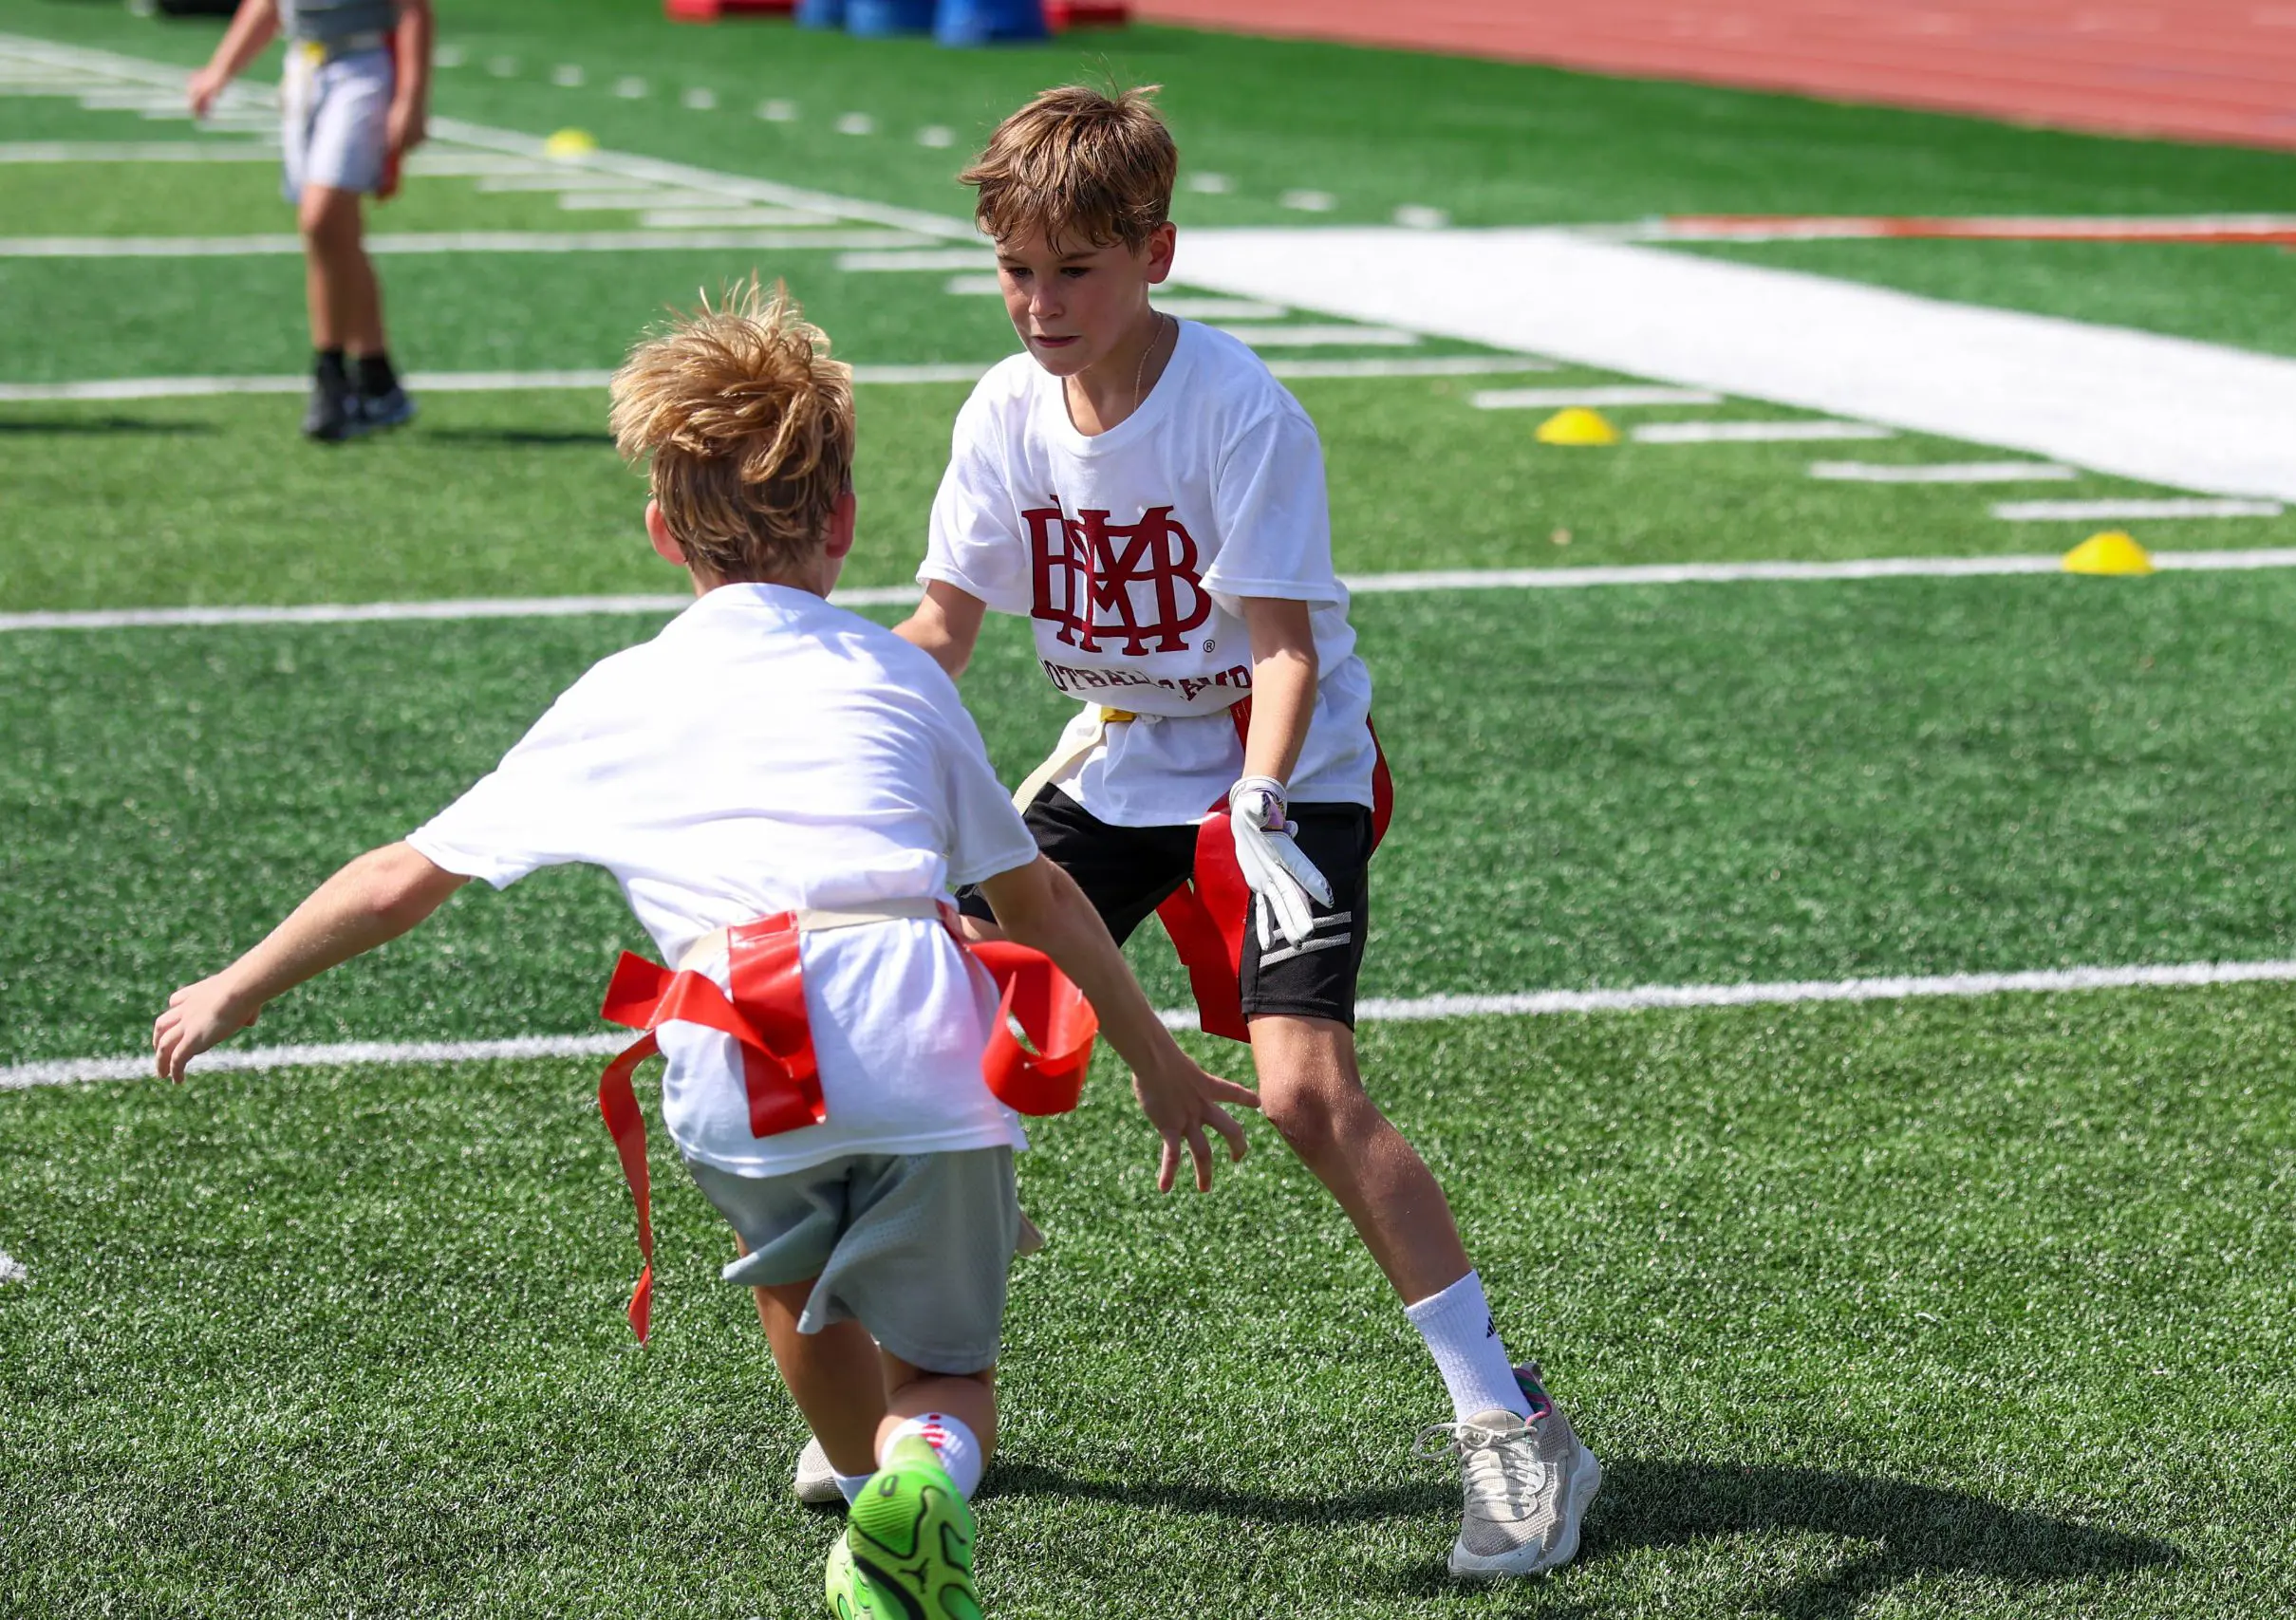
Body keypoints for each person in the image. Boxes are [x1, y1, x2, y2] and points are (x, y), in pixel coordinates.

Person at [152, 283, 1260, 1618]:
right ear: (843, 523)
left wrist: (235, 986)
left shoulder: (621, 690)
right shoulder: (899, 674)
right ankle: (925, 1465)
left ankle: (874, 1486)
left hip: (739, 1025)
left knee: (794, 1280)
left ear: (661, 531)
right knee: (946, 1374)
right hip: (915, 1013)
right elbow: (1043, 902)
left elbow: (399, 881)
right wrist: (1156, 1060)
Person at [885, 84, 1601, 1581]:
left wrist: (1262, 796)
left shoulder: (1238, 407)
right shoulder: (1003, 408)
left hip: (1284, 772)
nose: (1040, 303)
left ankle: (1512, 1417)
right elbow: (942, 624)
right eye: (1016, 269)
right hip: (1122, 754)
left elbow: (1283, 651)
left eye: (1074, 269)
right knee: (927, 1015)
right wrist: (827, 696)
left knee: (1303, 1093)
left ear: (1156, 254)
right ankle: (923, 1404)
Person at [186, 0, 427, 440]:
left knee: (321, 219)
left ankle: (330, 376)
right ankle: (377, 377)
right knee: (336, 233)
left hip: (364, 63)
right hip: (305, 66)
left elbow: (413, 9)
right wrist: (220, 69)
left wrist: (411, 97)